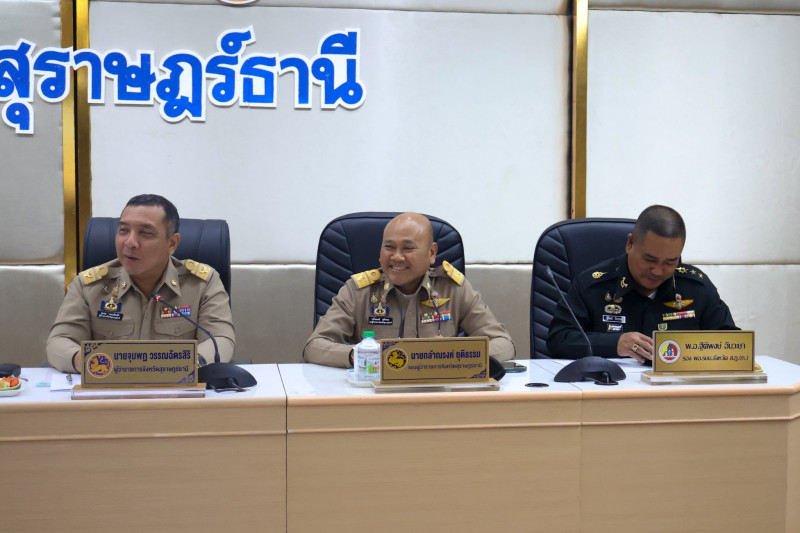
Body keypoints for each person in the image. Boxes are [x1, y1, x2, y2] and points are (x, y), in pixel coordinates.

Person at [47, 194, 235, 373]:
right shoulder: (89, 285)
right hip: (110, 389)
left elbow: (221, 339)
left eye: (145, 233)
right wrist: (88, 362)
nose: (130, 242)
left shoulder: (202, 283)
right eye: (123, 231)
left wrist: (185, 366)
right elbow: (59, 341)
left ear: (172, 243)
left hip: (179, 389)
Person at [304, 212, 516, 367]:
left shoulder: (453, 289)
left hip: (436, 396)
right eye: (389, 247)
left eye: (408, 248)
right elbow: (314, 347)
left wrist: (456, 353)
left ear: (431, 253)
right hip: (373, 395)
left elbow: (504, 344)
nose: (396, 257)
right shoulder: (358, 291)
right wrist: (361, 355)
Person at [547, 205, 737, 362]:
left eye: (670, 262)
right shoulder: (592, 285)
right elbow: (558, 340)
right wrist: (614, 344)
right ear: (629, 244)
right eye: (649, 260)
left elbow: (733, 345)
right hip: (609, 391)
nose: (658, 271)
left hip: (679, 390)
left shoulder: (696, 288)